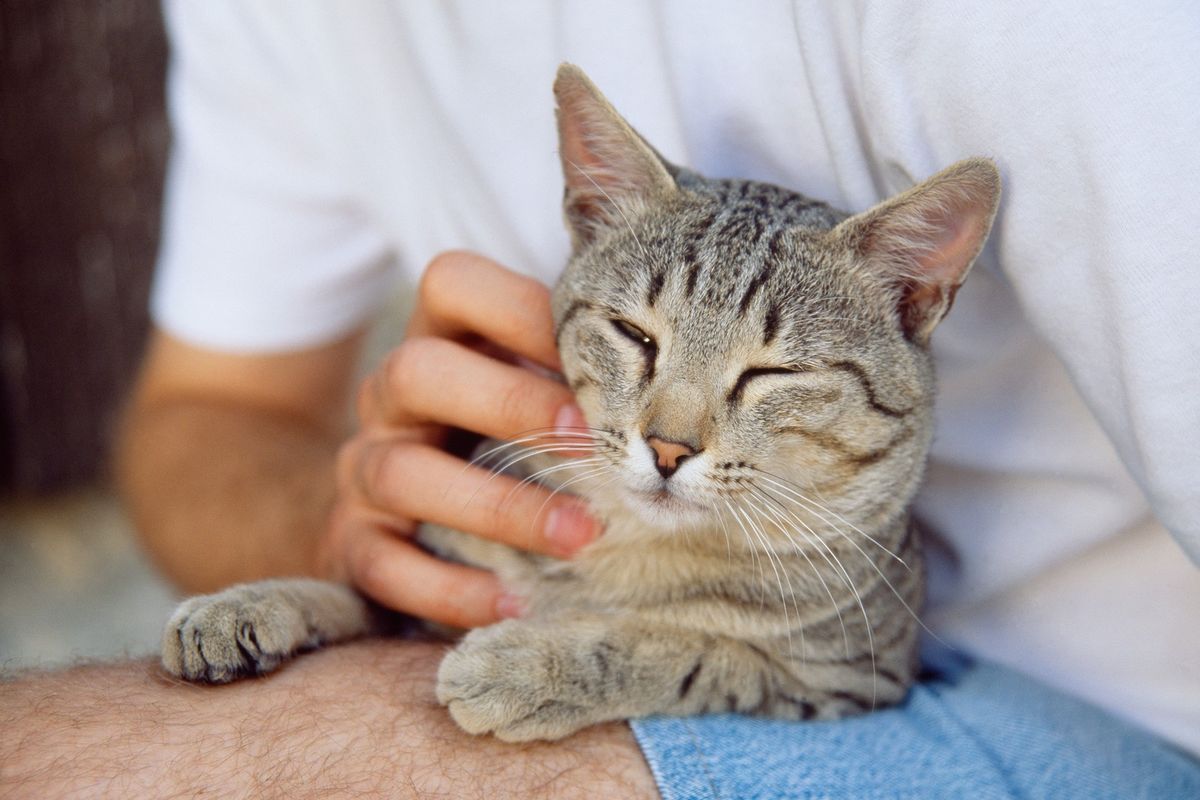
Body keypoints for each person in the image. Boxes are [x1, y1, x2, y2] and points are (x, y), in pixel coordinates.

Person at [4, 2, 1199, 797]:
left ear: (911, 302)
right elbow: (212, 409)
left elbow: (840, 676)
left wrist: (610, 668)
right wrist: (346, 544)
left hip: (1091, 712)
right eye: (633, 338)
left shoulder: (1051, 28)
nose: (672, 434)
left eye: (765, 376)